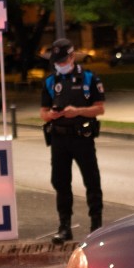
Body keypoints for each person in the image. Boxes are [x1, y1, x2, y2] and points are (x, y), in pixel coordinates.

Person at [40, 38, 106, 244]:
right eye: (56, 61)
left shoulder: (89, 78)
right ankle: (64, 226)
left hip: (82, 137)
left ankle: (96, 226)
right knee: (61, 182)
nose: (59, 64)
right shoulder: (51, 81)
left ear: (71, 56)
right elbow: (42, 112)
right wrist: (52, 115)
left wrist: (77, 112)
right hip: (59, 138)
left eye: (62, 60)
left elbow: (99, 108)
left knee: (91, 181)